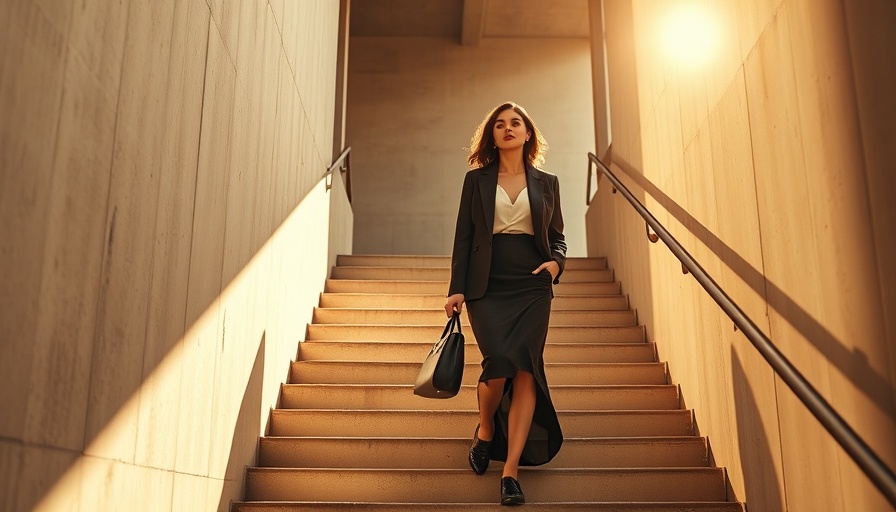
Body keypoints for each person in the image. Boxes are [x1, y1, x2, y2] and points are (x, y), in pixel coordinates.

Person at [444, 102, 566, 506]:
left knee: (527, 370)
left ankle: (510, 472)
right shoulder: (475, 181)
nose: (508, 128)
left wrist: (555, 265)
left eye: (516, 123)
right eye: (500, 124)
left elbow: (557, 236)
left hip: (531, 286)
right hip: (488, 285)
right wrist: (456, 287)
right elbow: (464, 237)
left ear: (528, 134)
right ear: (492, 135)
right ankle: (485, 430)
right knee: (498, 365)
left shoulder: (547, 182)